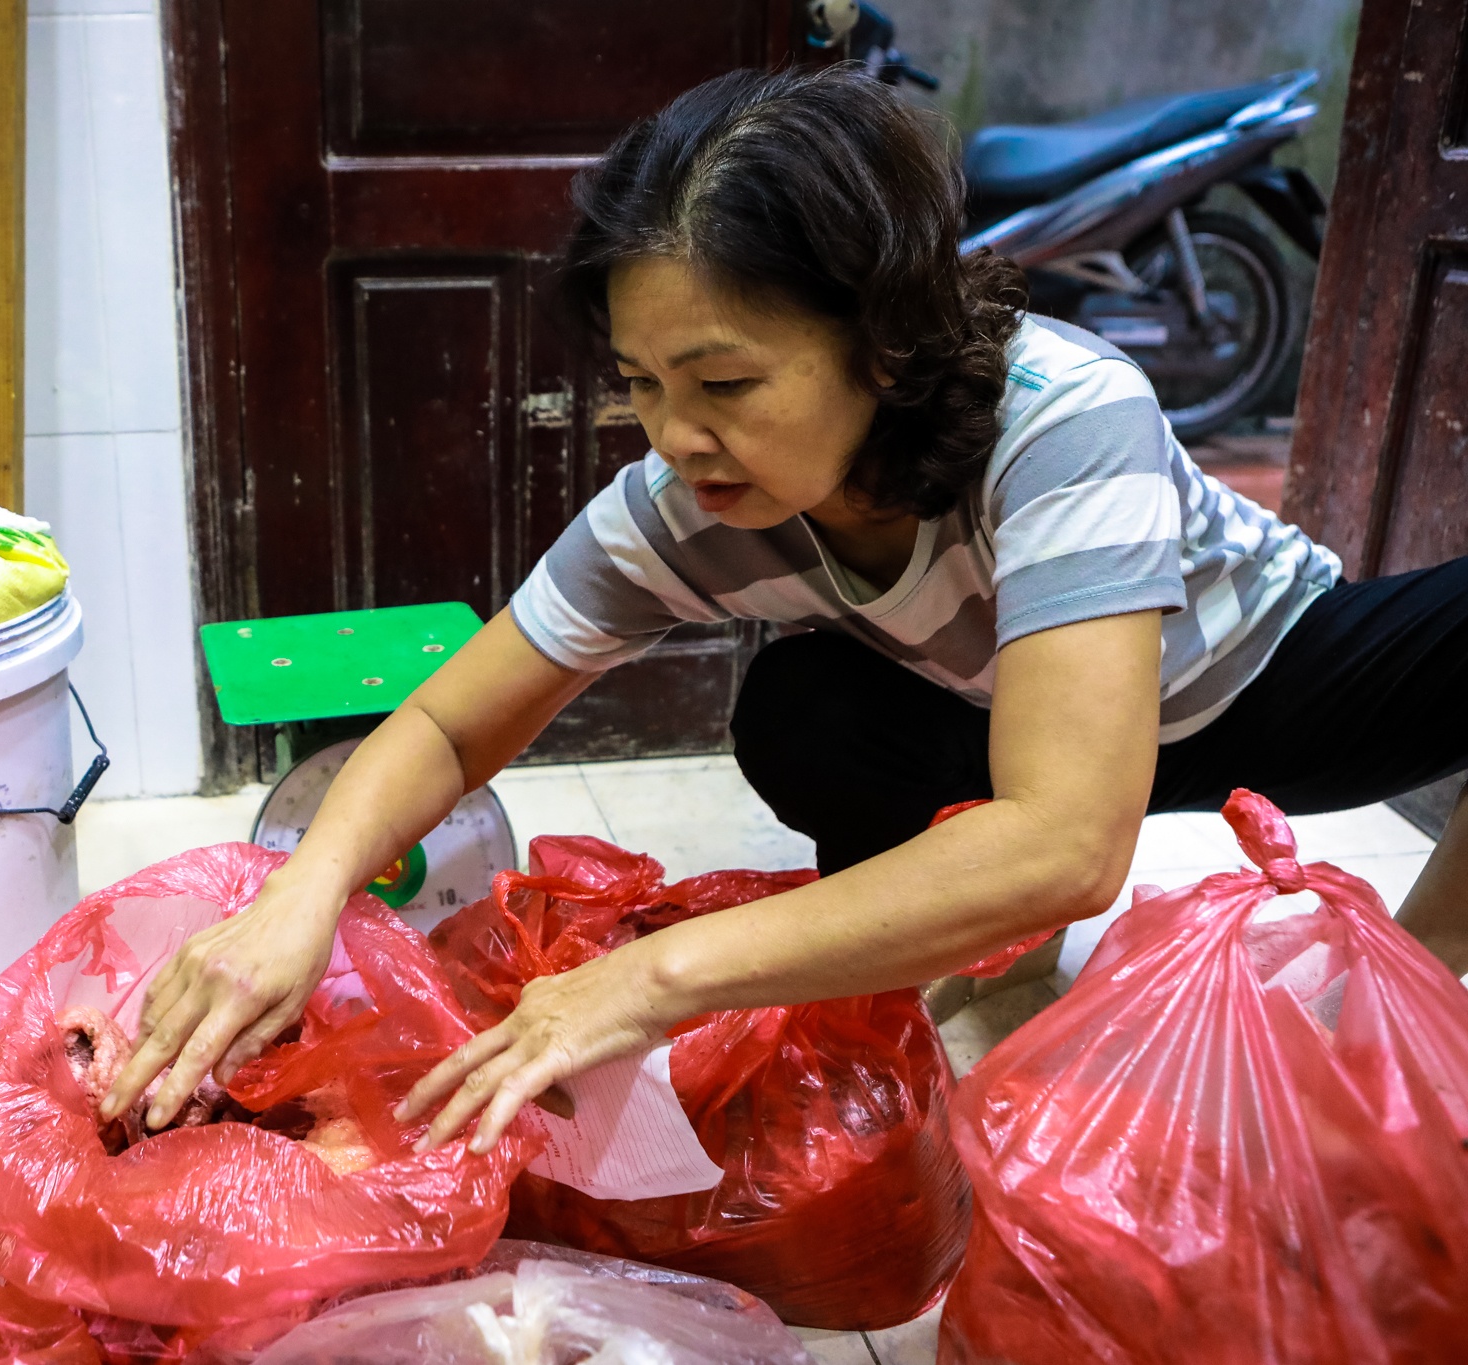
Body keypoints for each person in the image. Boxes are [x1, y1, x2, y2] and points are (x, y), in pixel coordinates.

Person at [104, 65, 1468, 1156]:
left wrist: (652, 978)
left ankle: (1435, 985)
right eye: (641, 382)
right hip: (1010, 728)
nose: (679, 435)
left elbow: (1071, 840)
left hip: (1255, 677)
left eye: (727, 383)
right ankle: (962, 973)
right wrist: (303, 890)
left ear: (882, 342)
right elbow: (457, 726)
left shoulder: (1061, 415)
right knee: (804, 711)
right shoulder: (678, 505)